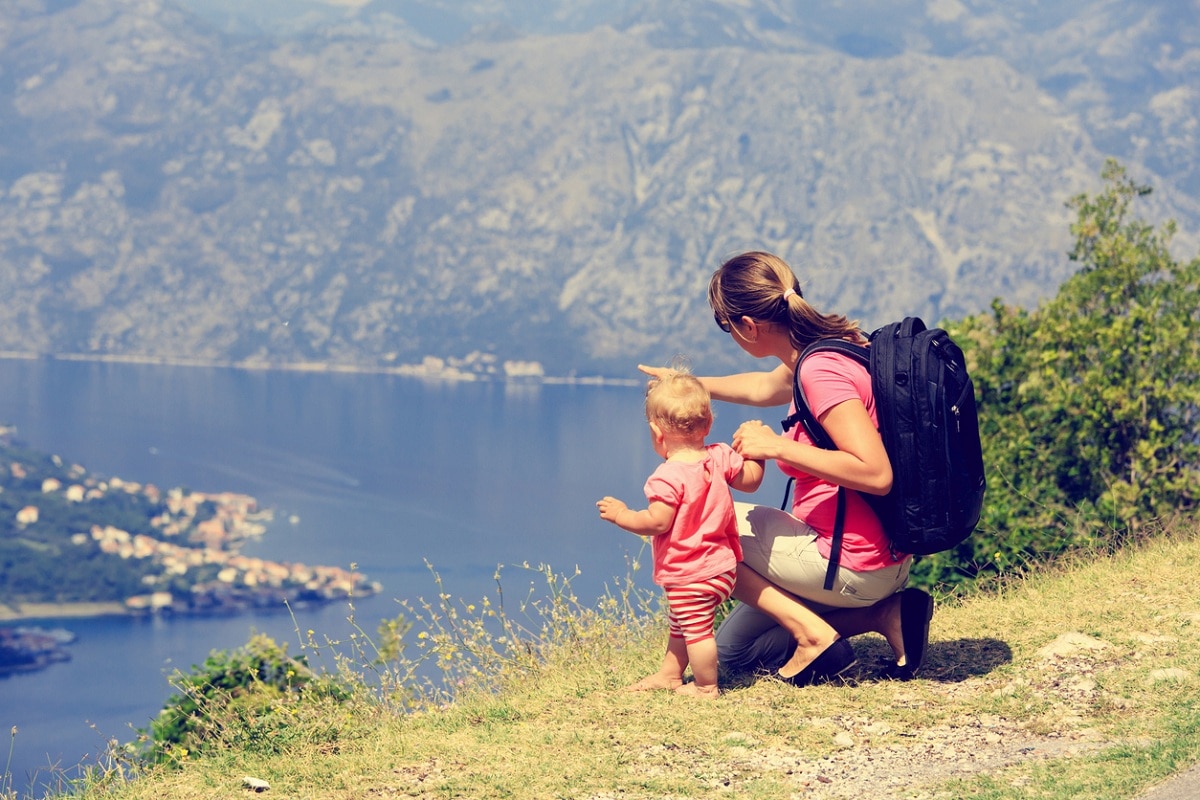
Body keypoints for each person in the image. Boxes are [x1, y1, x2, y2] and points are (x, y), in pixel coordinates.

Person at [640, 250, 934, 686]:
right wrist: (688, 387)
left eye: (726, 327)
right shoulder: (832, 349)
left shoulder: (820, 372)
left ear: (747, 326)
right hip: (875, 557)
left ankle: (812, 633)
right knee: (735, 651)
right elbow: (761, 387)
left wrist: (777, 447)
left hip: (852, 560)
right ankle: (886, 615)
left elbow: (875, 472)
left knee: (689, 519)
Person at [597, 368, 765, 698]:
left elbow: (657, 522)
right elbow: (752, 480)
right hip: (722, 567)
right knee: (682, 623)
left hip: (692, 571)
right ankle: (670, 673)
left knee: (698, 633)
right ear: (708, 425)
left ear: (656, 432)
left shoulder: (667, 476)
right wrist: (757, 450)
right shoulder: (719, 456)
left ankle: (706, 687)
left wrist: (622, 516)